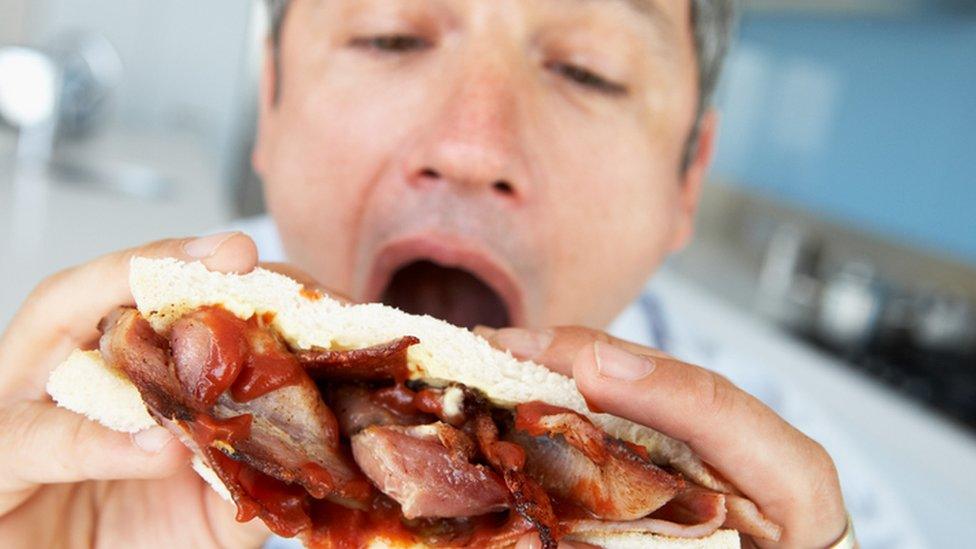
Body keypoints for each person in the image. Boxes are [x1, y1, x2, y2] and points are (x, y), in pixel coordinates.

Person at [0, 1, 919, 547]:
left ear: (689, 178)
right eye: (393, 36)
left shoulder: (818, 517)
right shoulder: (58, 424)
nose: (474, 143)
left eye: (587, 70)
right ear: (270, 104)